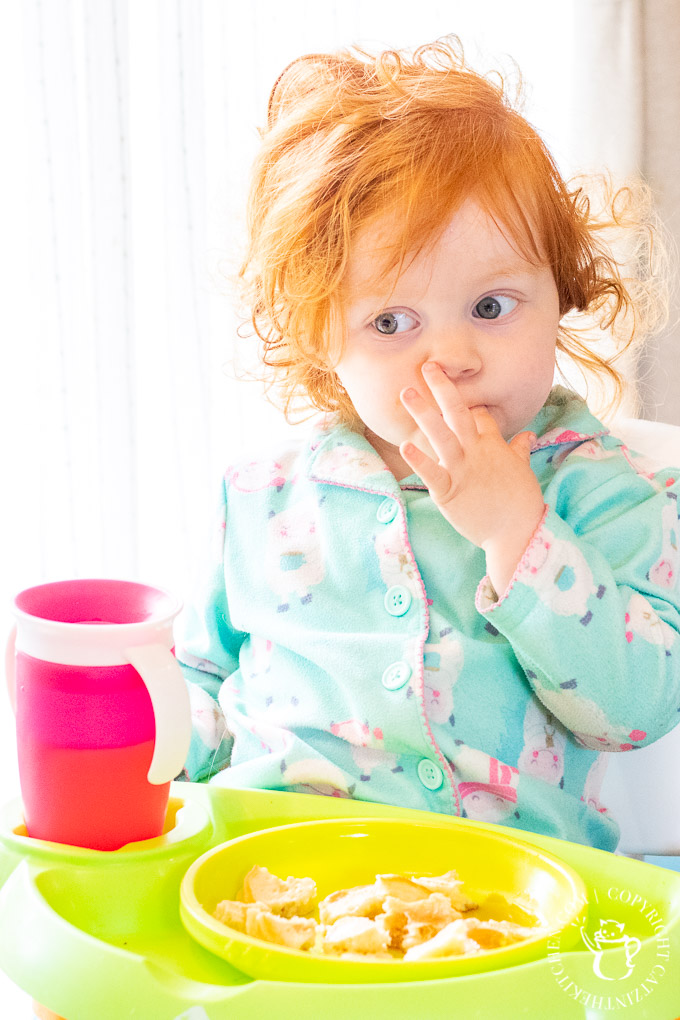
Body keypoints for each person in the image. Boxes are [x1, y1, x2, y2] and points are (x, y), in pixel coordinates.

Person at [174, 38, 680, 851]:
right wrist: (130, 732)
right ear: (319, 341)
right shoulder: (262, 496)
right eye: (390, 323)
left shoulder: (601, 489)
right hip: (271, 880)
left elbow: (638, 708)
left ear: (564, 289)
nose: (451, 358)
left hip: (506, 908)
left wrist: (517, 531)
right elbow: (198, 684)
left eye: (491, 307)